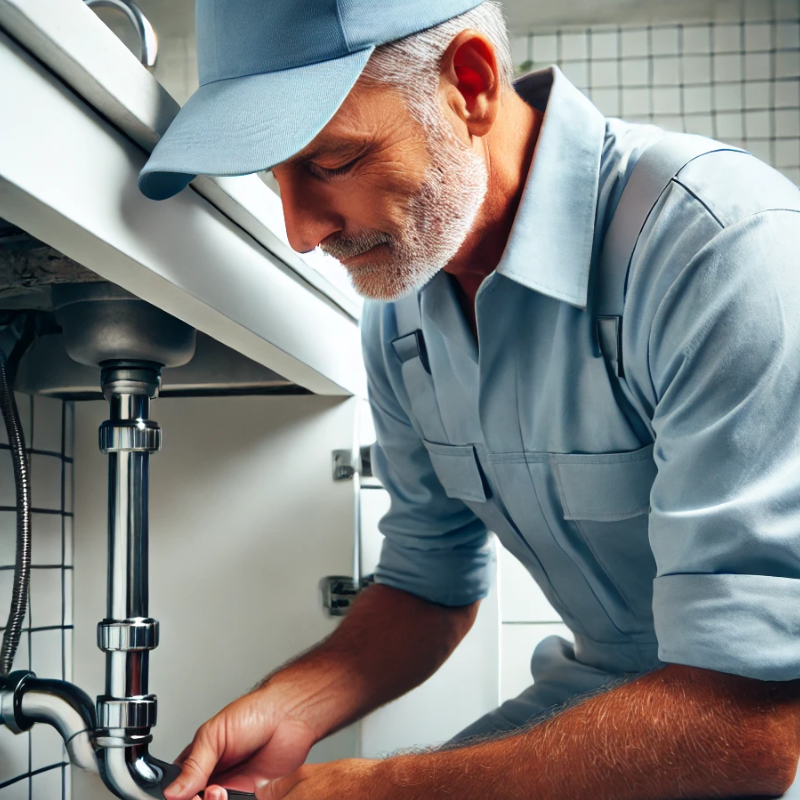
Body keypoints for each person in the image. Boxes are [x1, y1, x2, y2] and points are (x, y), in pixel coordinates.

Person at [139, 1, 800, 799]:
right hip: (606, 704)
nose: (301, 232)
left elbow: (752, 729)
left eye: (330, 161)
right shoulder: (402, 312)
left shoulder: (719, 246)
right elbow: (429, 585)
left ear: (472, 83)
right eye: (271, 174)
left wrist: (380, 790)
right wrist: (292, 702)